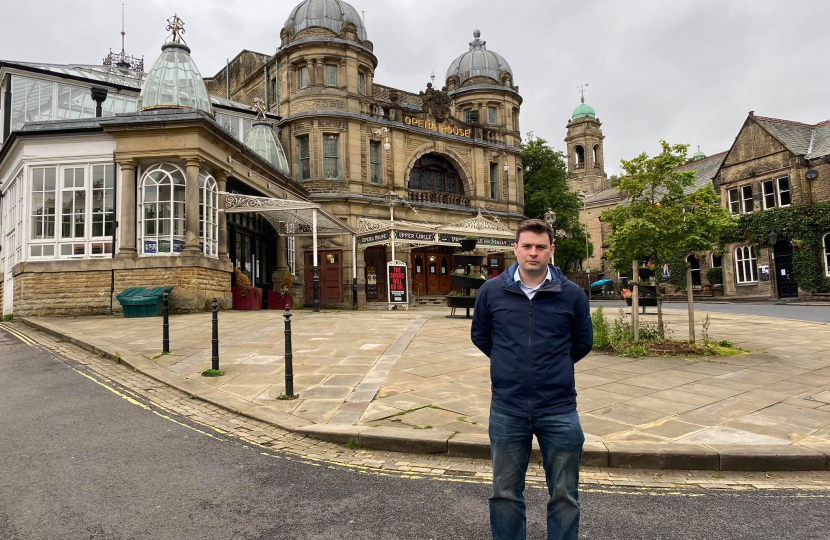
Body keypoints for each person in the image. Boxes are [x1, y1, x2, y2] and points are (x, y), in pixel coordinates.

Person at [471, 219, 593, 540]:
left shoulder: (572, 295)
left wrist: (553, 369)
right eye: (527, 246)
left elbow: (583, 343)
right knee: (505, 493)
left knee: (565, 495)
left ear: (551, 250)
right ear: (515, 249)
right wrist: (508, 365)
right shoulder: (491, 291)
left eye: (541, 247)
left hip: (559, 410)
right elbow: (481, 336)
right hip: (507, 409)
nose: (533, 253)